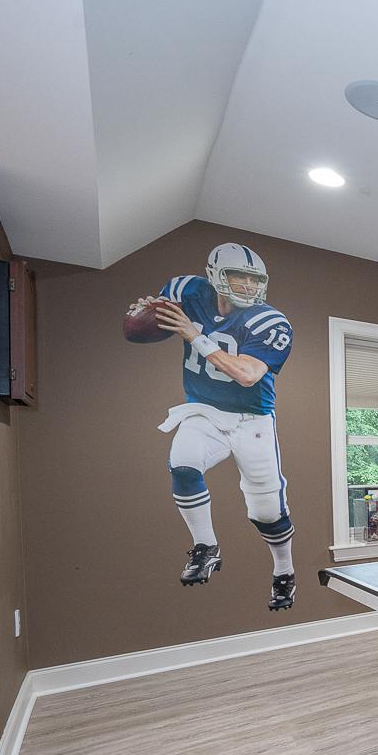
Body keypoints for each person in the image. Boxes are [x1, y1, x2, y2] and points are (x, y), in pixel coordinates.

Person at [129, 242, 297, 610]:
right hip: (203, 409)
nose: (250, 286)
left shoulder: (270, 321)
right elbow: (151, 318)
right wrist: (147, 313)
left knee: (266, 510)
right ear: (216, 275)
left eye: (256, 280)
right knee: (183, 462)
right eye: (241, 277)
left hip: (252, 419)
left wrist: (195, 337)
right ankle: (205, 546)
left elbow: (248, 374)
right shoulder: (185, 291)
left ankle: (284, 571)